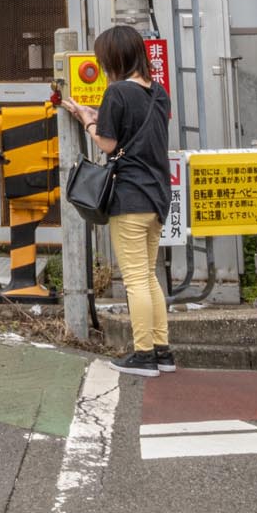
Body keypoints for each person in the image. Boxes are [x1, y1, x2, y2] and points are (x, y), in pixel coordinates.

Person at [60, 24, 172, 378]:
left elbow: (108, 145)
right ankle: (162, 350)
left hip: (129, 196)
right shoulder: (158, 93)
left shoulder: (117, 92)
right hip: (156, 197)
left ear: (113, 59)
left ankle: (143, 355)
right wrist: (97, 118)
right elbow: (133, 134)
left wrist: (85, 119)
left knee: (136, 279)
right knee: (150, 277)